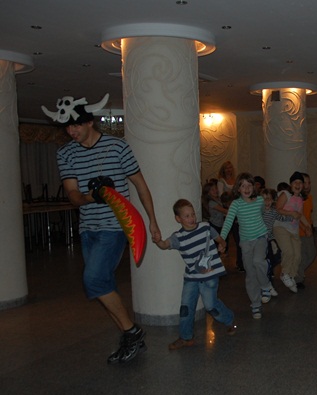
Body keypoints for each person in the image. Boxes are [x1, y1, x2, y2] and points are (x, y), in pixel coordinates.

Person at [47, 93, 161, 365]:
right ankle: (129, 338)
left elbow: (140, 185)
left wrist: (152, 220)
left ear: (90, 122)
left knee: (94, 280)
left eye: (76, 124)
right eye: (68, 126)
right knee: (102, 284)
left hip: (114, 226)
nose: (71, 131)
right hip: (88, 228)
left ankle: (132, 332)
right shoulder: (66, 153)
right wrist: (91, 197)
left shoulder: (118, 147)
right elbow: (73, 194)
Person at [152, 199, 236, 349]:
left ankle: (229, 319)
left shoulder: (205, 227)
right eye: (187, 216)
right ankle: (186, 337)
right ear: (178, 219)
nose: (192, 218)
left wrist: (222, 245)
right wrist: (158, 241)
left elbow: (219, 239)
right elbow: (165, 245)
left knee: (211, 306)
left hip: (210, 276)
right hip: (191, 277)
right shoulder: (178, 237)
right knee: (186, 307)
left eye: (192, 214)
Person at [220, 172, 271, 319]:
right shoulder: (236, 204)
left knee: (258, 261)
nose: (247, 188)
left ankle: (265, 286)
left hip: (260, 237)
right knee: (250, 274)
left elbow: (262, 212)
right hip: (246, 242)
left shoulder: (259, 200)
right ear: (238, 188)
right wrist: (222, 240)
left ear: (254, 187)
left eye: (249, 185)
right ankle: (255, 304)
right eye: (243, 186)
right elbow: (228, 221)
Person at [273, 172, 311, 293]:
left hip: (293, 230)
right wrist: (291, 213)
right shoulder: (285, 194)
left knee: (298, 255)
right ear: (291, 184)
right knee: (288, 251)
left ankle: (291, 275)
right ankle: (284, 273)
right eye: (295, 182)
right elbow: (278, 209)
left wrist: (307, 226)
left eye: (300, 183)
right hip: (281, 227)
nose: (298, 185)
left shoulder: (300, 198)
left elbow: (300, 215)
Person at [217, 161, 243, 272]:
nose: (228, 170)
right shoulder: (221, 181)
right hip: (227, 211)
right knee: (228, 237)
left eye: (230, 167)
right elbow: (221, 196)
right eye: (226, 168)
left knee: (239, 238)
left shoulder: (235, 180)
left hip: (237, 211)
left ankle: (240, 262)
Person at [294, 172, 317, 290]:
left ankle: (295, 273)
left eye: (309, 182)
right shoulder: (297, 199)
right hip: (300, 232)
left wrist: (310, 227)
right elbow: (296, 216)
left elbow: (308, 215)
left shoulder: (309, 198)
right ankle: (298, 278)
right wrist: (304, 228)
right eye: (305, 183)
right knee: (302, 255)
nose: (307, 185)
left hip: (308, 230)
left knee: (311, 254)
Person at [261, 188, 282, 300]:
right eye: (264, 199)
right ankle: (267, 286)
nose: (266, 202)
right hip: (261, 240)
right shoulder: (259, 212)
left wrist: (292, 217)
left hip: (270, 239)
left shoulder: (273, 212)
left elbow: (281, 217)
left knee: (276, 257)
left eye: (268, 199)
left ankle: (268, 281)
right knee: (264, 263)